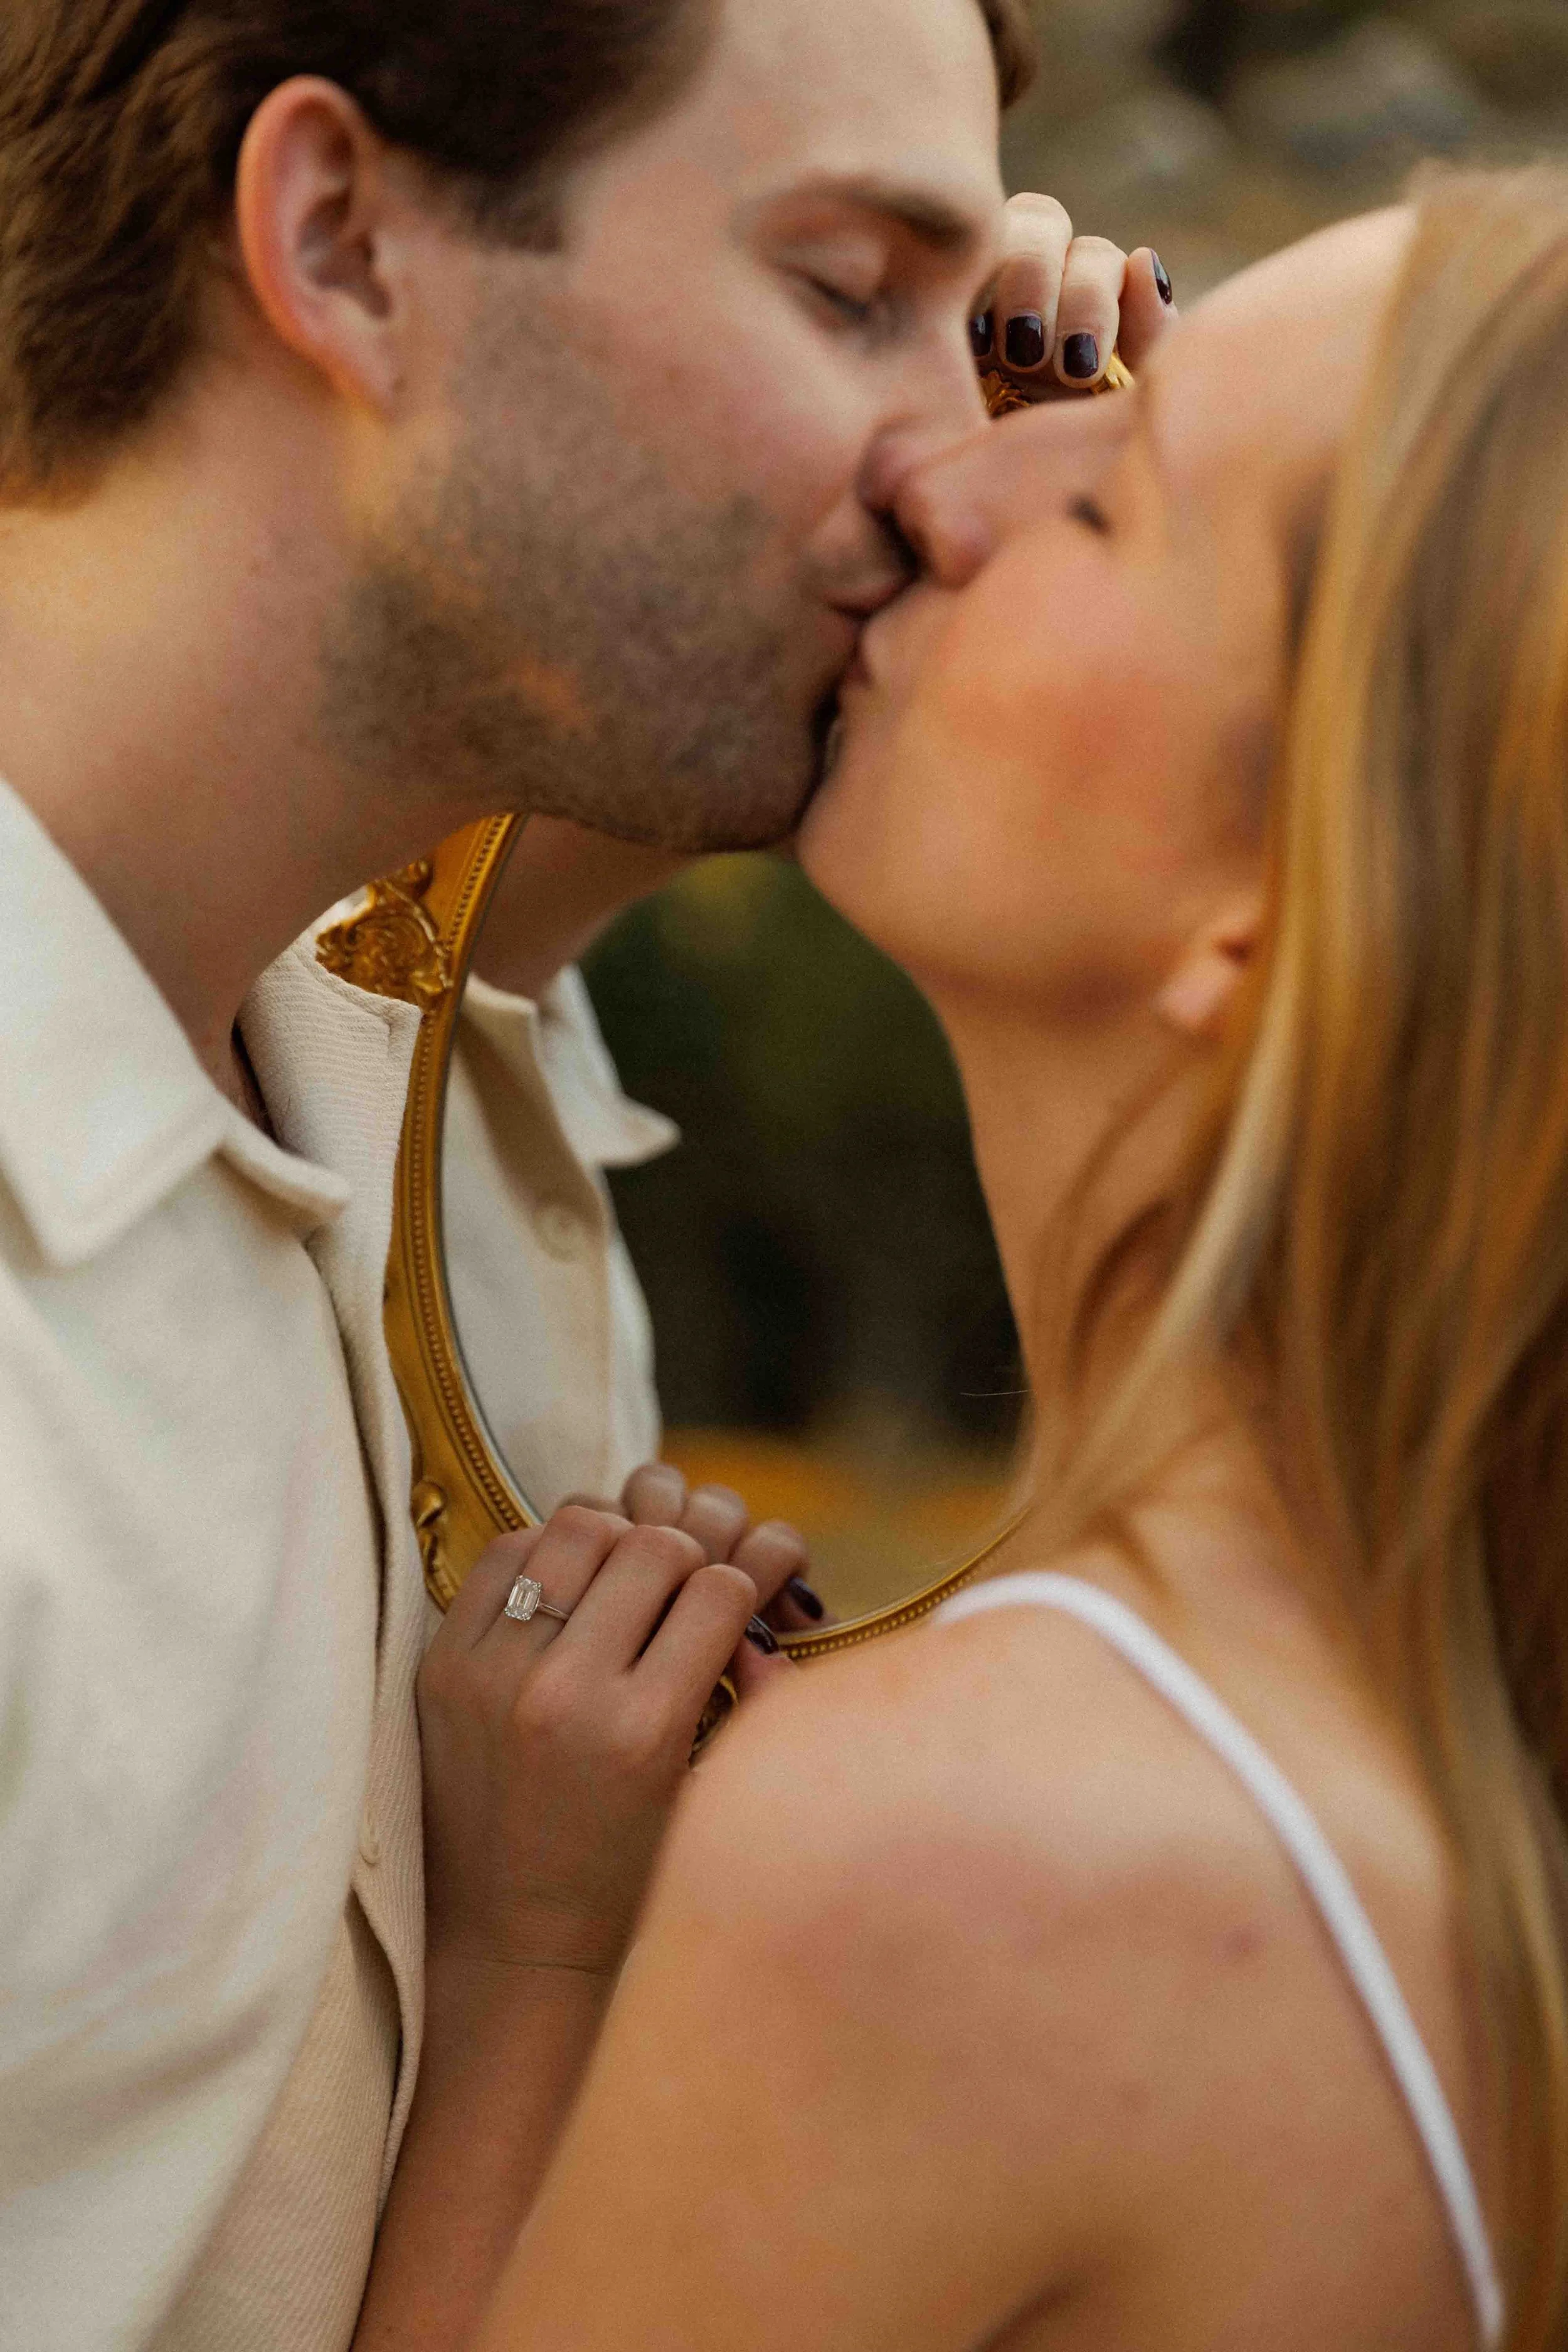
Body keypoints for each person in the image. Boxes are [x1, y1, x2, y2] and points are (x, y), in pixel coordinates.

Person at [0, 1, 1179, 2346]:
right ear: (341, 244)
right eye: (848, 288)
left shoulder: (355, 1058)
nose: (950, 469)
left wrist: (1079, 601)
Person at [386, 166, 1568, 2350]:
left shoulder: (965, 1844)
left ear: (1284, 905)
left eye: (1122, 502)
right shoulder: (1435, 1730)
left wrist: (525, 1967)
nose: (939, 470)